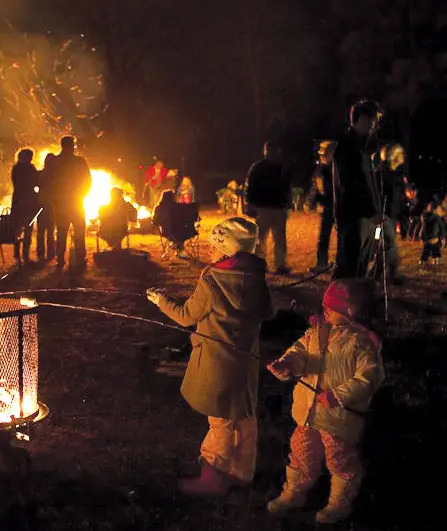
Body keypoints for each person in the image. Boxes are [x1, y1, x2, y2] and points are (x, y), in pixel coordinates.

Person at [147, 217, 274, 496]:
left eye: (214, 247)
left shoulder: (213, 281)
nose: (209, 252)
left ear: (227, 249)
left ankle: (213, 477)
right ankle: (241, 471)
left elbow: (185, 316)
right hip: (245, 361)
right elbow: (268, 312)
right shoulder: (256, 278)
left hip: (217, 361)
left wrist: (161, 301)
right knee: (244, 415)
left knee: (221, 420)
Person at [266, 280, 384, 524]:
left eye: (332, 306)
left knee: (339, 458)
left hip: (338, 419)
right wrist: (286, 364)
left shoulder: (359, 343)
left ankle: (339, 502)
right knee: (301, 454)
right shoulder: (315, 333)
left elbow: (369, 377)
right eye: (325, 305)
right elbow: (298, 353)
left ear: (350, 312)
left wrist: (338, 395)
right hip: (308, 415)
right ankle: (293, 493)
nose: (325, 309)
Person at [332, 100, 383, 279]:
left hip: (361, 216)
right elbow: (352, 185)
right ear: (361, 119)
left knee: (359, 261)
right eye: (372, 121)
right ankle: (340, 300)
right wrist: (370, 211)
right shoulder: (347, 148)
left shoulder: (359, 147)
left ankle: (353, 299)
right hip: (353, 216)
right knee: (349, 263)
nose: (373, 126)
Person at [245, 140, 292, 275]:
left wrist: (250, 203)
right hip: (268, 207)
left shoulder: (261, 167)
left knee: (268, 238)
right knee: (266, 238)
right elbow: (251, 187)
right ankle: (275, 264)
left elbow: (250, 187)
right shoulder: (266, 167)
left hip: (271, 207)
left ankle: (272, 264)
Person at [53, 136, 92, 270]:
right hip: (76, 201)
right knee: (79, 231)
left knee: (61, 231)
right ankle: (80, 258)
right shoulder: (80, 161)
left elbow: (50, 182)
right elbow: (87, 180)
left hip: (61, 202)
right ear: (73, 146)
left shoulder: (55, 162)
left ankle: (60, 258)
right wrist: (81, 194)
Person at [375, 143, 406, 283]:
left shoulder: (395, 175)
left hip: (389, 216)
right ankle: (390, 275)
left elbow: (398, 198)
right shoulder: (383, 174)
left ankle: (377, 272)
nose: (403, 157)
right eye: (400, 154)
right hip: (383, 216)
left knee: (383, 244)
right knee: (388, 244)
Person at [308, 141, 336, 273]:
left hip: (338, 207)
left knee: (343, 237)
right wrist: (312, 201)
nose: (323, 156)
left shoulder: (338, 169)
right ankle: (321, 263)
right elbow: (316, 187)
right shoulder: (320, 170)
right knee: (323, 237)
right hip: (328, 207)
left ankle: (343, 264)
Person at [11, 148, 40, 265]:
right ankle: (25, 255)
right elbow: (36, 182)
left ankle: (17, 253)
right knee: (28, 229)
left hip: (17, 200)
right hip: (29, 202)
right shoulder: (30, 168)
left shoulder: (15, 168)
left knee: (17, 229)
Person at [36, 152, 57, 262]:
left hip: (42, 204)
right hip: (51, 205)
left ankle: (41, 253)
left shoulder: (41, 174)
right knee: (50, 230)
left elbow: (35, 185)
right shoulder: (57, 175)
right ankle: (51, 253)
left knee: (42, 231)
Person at [420, 202, 446, 266]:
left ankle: (436, 259)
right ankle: (424, 260)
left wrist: (443, 236)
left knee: (435, 249)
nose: (430, 208)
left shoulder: (437, 217)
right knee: (427, 249)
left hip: (435, 236)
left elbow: (441, 226)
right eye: (429, 207)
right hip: (428, 236)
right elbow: (426, 222)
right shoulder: (425, 215)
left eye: (431, 207)